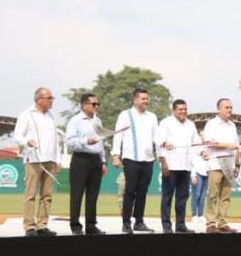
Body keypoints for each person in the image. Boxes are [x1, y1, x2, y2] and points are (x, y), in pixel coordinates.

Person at [14, 87, 61, 236]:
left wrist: (58, 159)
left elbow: (56, 140)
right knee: (31, 195)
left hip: (50, 160)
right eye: (49, 98)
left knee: (47, 195)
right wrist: (27, 141)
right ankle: (29, 226)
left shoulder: (51, 116)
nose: (52, 100)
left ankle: (42, 225)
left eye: (52, 98)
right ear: (39, 99)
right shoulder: (26, 115)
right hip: (33, 160)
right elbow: (17, 136)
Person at [111, 88, 158, 234]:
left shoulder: (152, 116)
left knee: (142, 192)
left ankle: (139, 222)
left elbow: (156, 137)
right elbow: (117, 136)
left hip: (148, 159)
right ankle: (126, 223)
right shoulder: (125, 115)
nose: (146, 101)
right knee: (130, 191)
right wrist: (115, 155)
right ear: (135, 100)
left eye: (147, 98)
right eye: (143, 98)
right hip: (131, 158)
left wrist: (163, 145)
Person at [156, 99, 202, 234]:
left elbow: (197, 143)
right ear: (174, 110)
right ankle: (166, 226)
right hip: (170, 166)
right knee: (167, 197)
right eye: (180, 109)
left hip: (185, 167)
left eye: (185, 109)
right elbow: (157, 140)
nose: (183, 112)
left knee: (182, 198)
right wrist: (164, 144)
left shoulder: (191, 124)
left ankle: (180, 225)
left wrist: (203, 152)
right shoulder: (166, 123)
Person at [64, 93, 106, 236]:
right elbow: (69, 142)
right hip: (80, 159)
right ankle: (75, 226)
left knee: (93, 194)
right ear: (84, 105)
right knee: (77, 194)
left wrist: (103, 161)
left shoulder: (98, 121)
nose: (97, 107)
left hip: (96, 160)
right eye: (94, 104)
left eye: (97, 104)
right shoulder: (75, 121)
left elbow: (101, 142)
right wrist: (85, 141)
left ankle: (91, 226)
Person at [202, 98, 240, 234]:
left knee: (226, 196)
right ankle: (211, 224)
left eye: (231, 107)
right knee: (213, 194)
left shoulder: (232, 125)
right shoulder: (211, 124)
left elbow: (237, 147)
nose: (229, 110)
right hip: (216, 164)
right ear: (219, 109)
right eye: (227, 107)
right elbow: (209, 143)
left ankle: (222, 222)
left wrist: (237, 165)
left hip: (229, 165)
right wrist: (228, 145)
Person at [190, 130, 208, 229]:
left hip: (206, 173)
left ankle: (201, 215)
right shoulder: (195, 147)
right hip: (197, 172)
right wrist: (193, 175)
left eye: (205, 136)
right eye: (201, 135)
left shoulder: (208, 147)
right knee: (196, 195)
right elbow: (191, 161)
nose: (203, 137)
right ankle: (194, 215)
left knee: (203, 196)